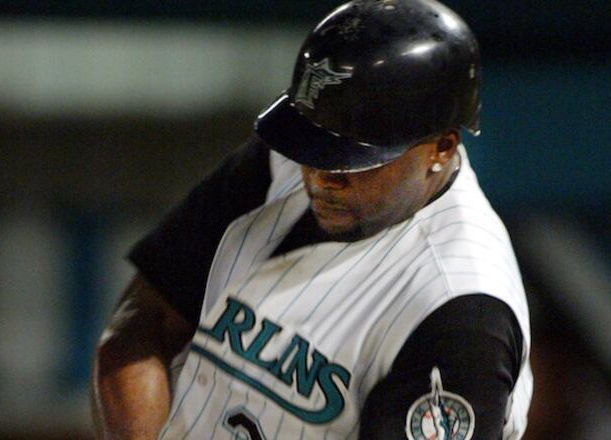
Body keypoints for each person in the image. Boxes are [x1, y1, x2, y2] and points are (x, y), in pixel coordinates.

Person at [91, 1, 532, 439]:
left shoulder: (462, 312)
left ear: (441, 148)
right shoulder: (280, 163)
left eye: (355, 157)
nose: (321, 175)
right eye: (313, 145)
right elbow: (137, 327)